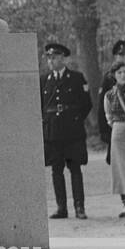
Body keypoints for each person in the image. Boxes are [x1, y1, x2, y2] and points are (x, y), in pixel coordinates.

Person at [40, 41, 92, 220]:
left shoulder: (77, 78)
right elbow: (40, 106)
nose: (51, 61)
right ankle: (61, 207)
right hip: (53, 133)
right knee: (56, 170)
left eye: (54, 58)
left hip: (72, 132)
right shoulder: (44, 80)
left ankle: (79, 206)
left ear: (63, 58)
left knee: (75, 169)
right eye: (49, 58)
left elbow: (86, 104)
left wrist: (75, 120)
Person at [97, 39, 125, 218]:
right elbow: (103, 110)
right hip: (118, 131)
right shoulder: (108, 79)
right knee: (122, 168)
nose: (124, 57)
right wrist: (106, 134)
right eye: (121, 54)